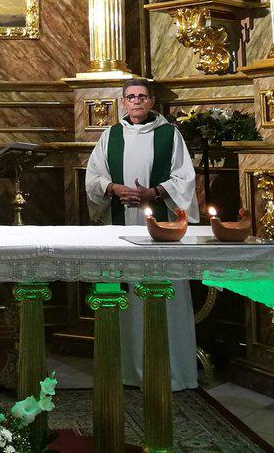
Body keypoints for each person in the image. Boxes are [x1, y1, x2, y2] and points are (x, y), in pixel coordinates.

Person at [84, 78, 199, 389]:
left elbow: (184, 178)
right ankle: (125, 371)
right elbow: (93, 176)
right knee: (126, 295)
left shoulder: (169, 134)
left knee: (162, 292)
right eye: (131, 97)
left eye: (142, 97)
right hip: (119, 226)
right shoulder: (111, 135)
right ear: (123, 102)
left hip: (160, 227)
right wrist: (113, 188)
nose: (136, 101)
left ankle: (170, 371)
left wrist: (154, 192)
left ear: (151, 101)